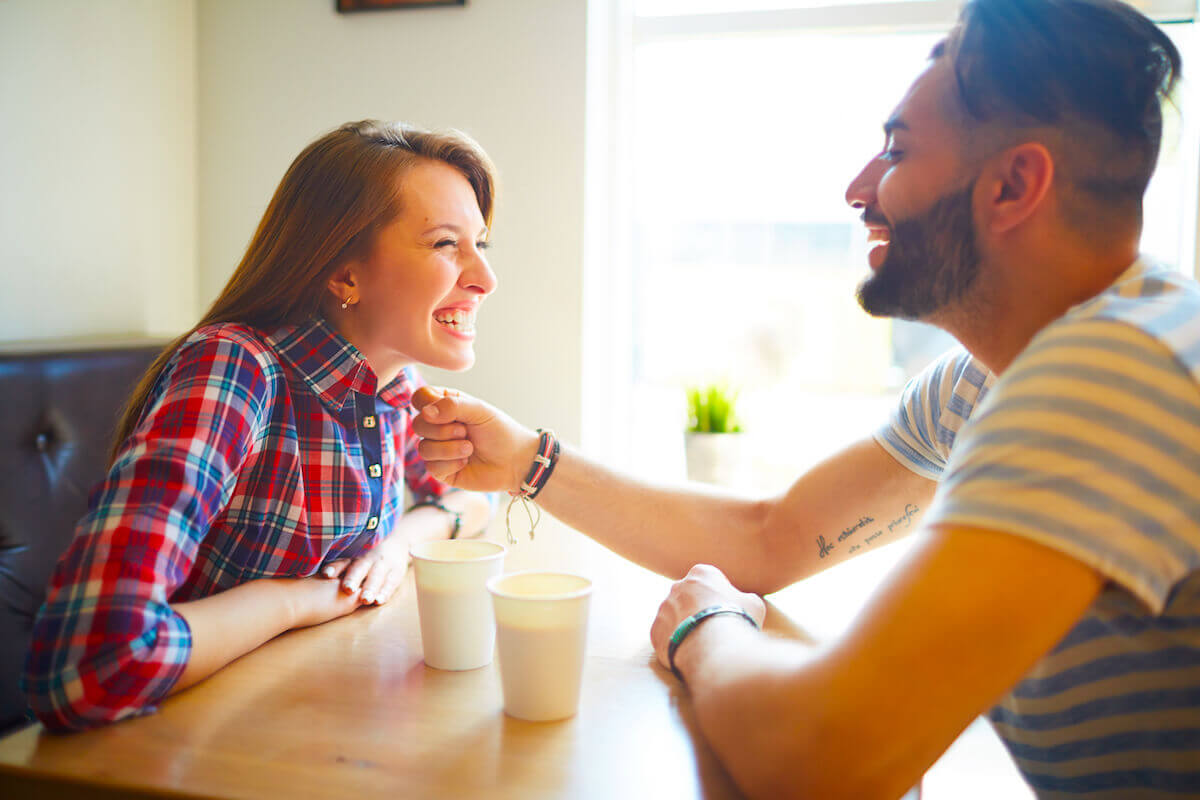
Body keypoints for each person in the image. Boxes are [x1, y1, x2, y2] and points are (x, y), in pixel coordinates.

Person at [410, 1, 1200, 797]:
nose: (859, 189)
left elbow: (821, 756)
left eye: (896, 150)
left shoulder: (1112, 374)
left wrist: (703, 630)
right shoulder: (986, 381)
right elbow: (772, 536)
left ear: (1013, 185)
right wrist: (524, 462)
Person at [23, 120, 498, 733]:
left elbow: (471, 496)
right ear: (344, 275)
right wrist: (297, 599)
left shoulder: (388, 387)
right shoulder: (236, 367)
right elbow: (88, 665)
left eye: (481, 244)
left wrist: (399, 545)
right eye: (444, 244)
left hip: (307, 723)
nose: (485, 279)